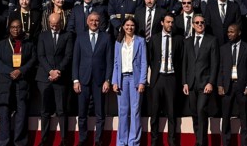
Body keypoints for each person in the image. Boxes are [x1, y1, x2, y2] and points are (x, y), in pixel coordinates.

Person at [73, 12, 114, 146]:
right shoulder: (80, 37)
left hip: (99, 81)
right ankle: (83, 139)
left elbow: (109, 61)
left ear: (99, 22)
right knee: (82, 113)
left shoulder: (106, 37)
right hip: (83, 80)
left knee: (100, 114)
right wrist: (75, 80)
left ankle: (98, 140)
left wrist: (108, 80)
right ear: (87, 21)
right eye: (91, 20)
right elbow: (76, 61)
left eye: (96, 20)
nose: (94, 23)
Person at [0, 19, 36, 146]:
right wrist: (10, 72)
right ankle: (3, 142)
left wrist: (21, 71)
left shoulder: (28, 44)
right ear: (9, 28)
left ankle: (20, 143)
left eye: (18, 27)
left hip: (22, 83)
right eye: (13, 27)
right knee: (4, 116)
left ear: (22, 28)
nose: (15, 29)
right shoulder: (2, 44)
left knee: (22, 116)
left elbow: (33, 59)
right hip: (5, 84)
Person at [182, 14, 219, 146]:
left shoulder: (212, 40)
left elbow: (215, 64)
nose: (199, 25)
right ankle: (198, 140)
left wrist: (211, 82)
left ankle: (201, 143)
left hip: (205, 84)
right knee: (194, 114)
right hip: (191, 84)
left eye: (202, 22)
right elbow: (184, 63)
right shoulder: (187, 41)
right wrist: (184, 82)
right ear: (192, 25)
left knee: (201, 111)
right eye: (197, 23)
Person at [36, 13, 73, 146]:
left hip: (61, 77)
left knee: (61, 110)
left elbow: (68, 55)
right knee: (45, 110)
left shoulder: (67, 35)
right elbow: (40, 55)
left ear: (61, 22)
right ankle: (44, 139)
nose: (54, 26)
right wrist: (50, 71)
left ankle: (64, 139)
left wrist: (58, 71)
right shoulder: (43, 35)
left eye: (56, 24)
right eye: (52, 24)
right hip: (44, 78)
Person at [148, 13, 184, 146]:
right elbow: (150, 58)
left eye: (172, 22)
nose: (170, 25)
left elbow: (181, 59)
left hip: (172, 79)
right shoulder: (154, 38)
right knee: (155, 112)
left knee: (172, 113)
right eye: (168, 22)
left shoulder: (179, 39)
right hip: (158, 78)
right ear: (162, 23)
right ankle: (154, 141)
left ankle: (172, 142)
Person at [218, 23, 247, 146]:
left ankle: (245, 143)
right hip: (227, 87)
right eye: (228, 32)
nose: (229, 34)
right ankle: (226, 143)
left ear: (239, 33)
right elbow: (220, 68)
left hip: (242, 87)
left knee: (244, 118)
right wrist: (220, 85)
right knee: (226, 117)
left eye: (232, 32)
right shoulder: (223, 49)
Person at [112, 18, 147, 146]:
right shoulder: (118, 42)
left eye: (132, 25)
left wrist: (142, 81)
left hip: (135, 79)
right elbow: (116, 63)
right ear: (123, 26)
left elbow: (144, 62)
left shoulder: (140, 41)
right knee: (122, 111)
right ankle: (121, 141)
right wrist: (114, 81)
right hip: (122, 79)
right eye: (127, 25)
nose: (129, 27)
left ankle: (133, 141)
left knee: (135, 111)